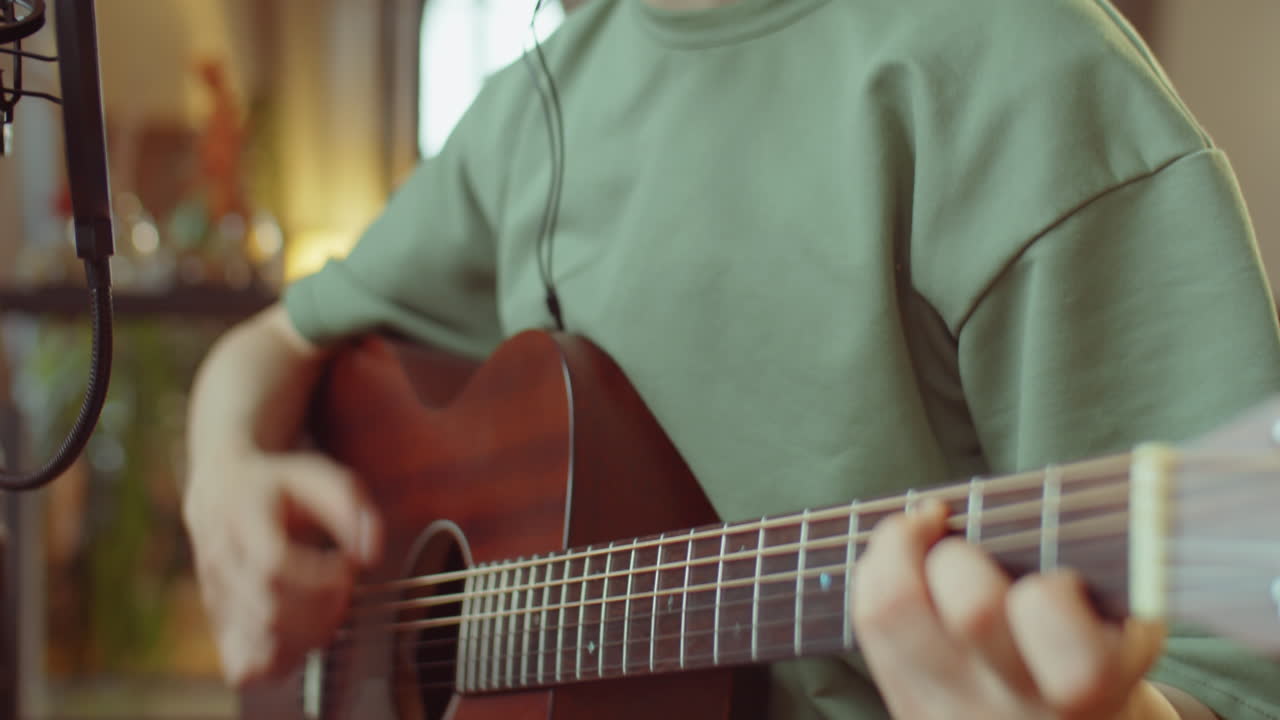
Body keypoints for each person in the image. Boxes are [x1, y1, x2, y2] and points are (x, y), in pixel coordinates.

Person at [182, 0, 1280, 717]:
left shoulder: (1022, 74)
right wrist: (220, 468)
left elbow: (1233, 678)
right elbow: (275, 342)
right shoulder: (533, 105)